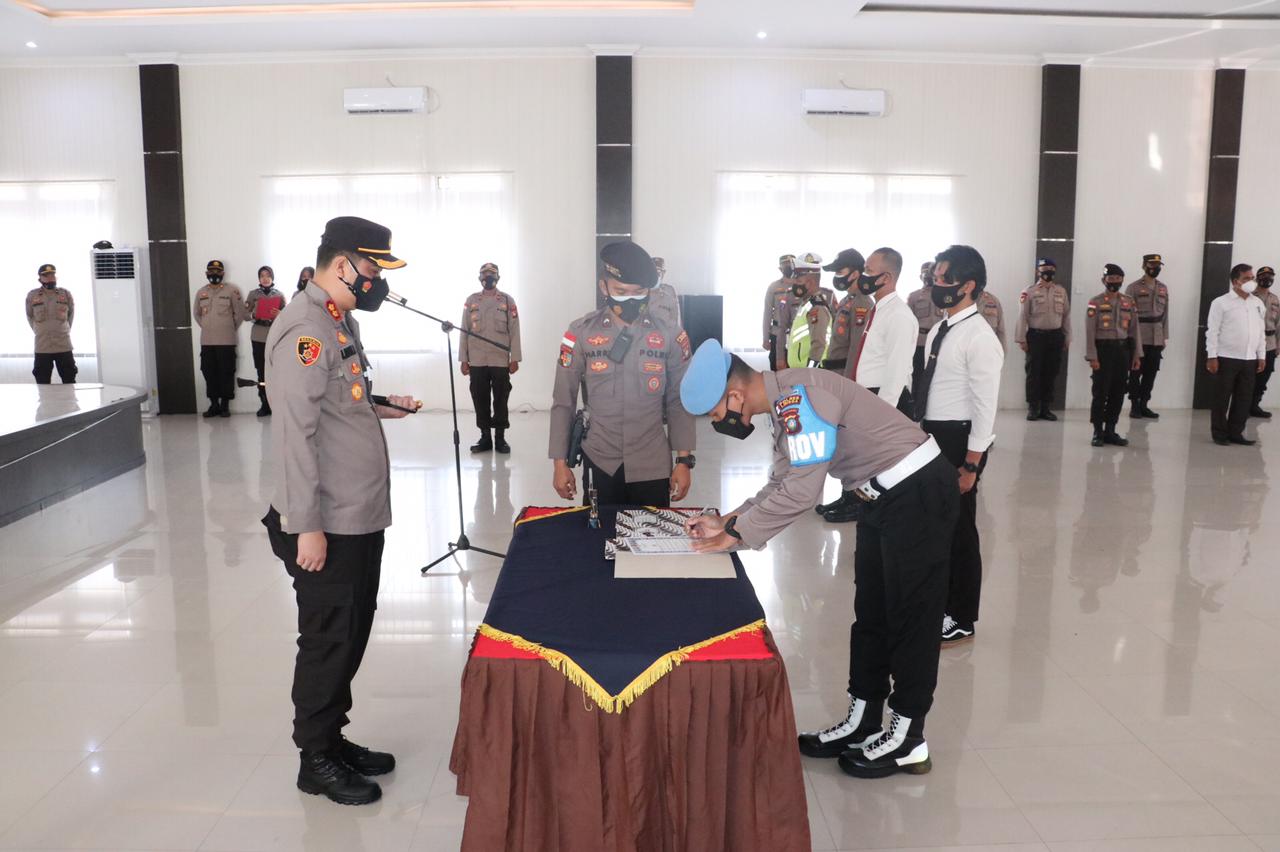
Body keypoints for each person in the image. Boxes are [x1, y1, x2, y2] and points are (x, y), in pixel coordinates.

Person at [679, 339, 959, 778]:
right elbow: (782, 481)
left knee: (911, 618)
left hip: (917, 492)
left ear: (734, 396)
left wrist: (737, 536)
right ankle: (863, 720)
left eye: (716, 415)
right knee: (871, 616)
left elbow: (802, 493)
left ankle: (908, 738)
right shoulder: (783, 405)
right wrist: (727, 521)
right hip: (879, 497)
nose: (720, 423)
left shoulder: (801, 399)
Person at [262, 215, 417, 806]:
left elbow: (336, 400)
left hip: (357, 513)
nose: (377, 280)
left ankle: (332, 736)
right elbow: (294, 434)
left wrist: (378, 406)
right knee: (328, 638)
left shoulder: (337, 319)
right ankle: (315, 758)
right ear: (344, 264)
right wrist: (306, 527)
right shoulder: (304, 329)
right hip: (325, 521)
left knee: (351, 631)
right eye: (373, 269)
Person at [549, 240, 695, 507]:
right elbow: (563, 401)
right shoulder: (580, 333)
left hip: (651, 461)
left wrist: (684, 460)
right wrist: (560, 463)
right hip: (601, 460)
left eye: (639, 292)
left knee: (651, 531)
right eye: (621, 291)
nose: (630, 299)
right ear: (604, 287)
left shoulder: (670, 335)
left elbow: (679, 400)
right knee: (600, 530)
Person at [915, 246, 1003, 646]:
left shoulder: (980, 337)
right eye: (935, 277)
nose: (936, 284)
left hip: (960, 440)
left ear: (968, 285)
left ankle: (963, 616)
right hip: (934, 434)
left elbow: (985, 406)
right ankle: (942, 603)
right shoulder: (941, 328)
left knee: (960, 529)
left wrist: (971, 464)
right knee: (936, 526)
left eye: (944, 279)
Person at [815, 247, 871, 524]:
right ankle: (846, 494)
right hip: (834, 374)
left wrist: (848, 386)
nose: (836, 276)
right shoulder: (848, 300)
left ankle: (855, 501)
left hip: (845, 378)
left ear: (856, 273)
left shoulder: (862, 304)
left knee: (851, 443)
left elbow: (855, 350)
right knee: (841, 442)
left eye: (841, 271)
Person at [460, 262, 521, 454]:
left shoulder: (507, 300)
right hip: (477, 359)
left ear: (498, 277)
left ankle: (500, 438)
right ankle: (485, 437)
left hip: (500, 360)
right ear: (479, 278)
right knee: (480, 398)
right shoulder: (471, 301)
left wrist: (515, 358)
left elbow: (515, 330)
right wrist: (464, 359)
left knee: (501, 399)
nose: (488, 278)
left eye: (492, 274)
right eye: (485, 275)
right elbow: (464, 330)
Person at [1206, 263, 1267, 446]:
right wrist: (1212, 356)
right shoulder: (1221, 303)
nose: (1251, 281)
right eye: (1246, 278)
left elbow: (1261, 331)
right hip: (1226, 357)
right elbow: (1212, 331)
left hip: (1249, 359)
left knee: (1244, 398)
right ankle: (1219, 434)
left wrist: (1261, 355)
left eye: (1252, 278)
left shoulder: (1257, 303)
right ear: (1235, 281)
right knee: (1221, 398)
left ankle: (1236, 433)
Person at [851, 247, 916, 414]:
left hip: (885, 401)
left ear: (886, 278)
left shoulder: (898, 315)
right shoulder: (880, 310)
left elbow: (897, 371)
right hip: (869, 395)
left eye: (868, 271)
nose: (863, 276)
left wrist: (882, 414)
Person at [1084, 264, 1143, 448]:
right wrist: (1092, 357)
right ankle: (1097, 431)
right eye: (1111, 278)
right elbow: (1089, 331)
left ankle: (1110, 430)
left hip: (1122, 351)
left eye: (1118, 279)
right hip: (1103, 351)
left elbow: (1134, 330)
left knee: (1118, 392)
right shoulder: (1095, 302)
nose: (1114, 282)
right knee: (1100, 392)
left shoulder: (1128, 302)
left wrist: (1136, 355)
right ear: (1104, 280)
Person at [1016, 257, 1071, 422]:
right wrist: (1021, 338)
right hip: (1036, 336)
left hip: (1056, 336)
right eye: (1044, 269)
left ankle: (1046, 408)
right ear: (1037, 271)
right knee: (1034, 373)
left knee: (1051, 372)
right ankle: (1033, 407)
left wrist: (1067, 336)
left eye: (1051, 269)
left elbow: (1066, 316)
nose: (1048, 272)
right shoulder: (1029, 292)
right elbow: (1022, 315)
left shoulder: (1061, 291)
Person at [193, 260, 248, 418]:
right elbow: (197, 314)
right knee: (208, 372)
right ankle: (214, 405)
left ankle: (224, 405)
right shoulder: (201, 292)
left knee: (226, 372)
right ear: (206, 273)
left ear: (223, 273)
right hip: (207, 341)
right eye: (211, 271)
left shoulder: (232, 291)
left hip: (226, 340)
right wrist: (207, 326)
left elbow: (240, 313)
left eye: (217, 271)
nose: (214, 274)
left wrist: (228, 327)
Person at [1126, 253, 1169, 419]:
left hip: (1156, 337)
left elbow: (1165, 314)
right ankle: (1134, 405)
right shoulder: (1133, 288)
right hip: (1139, 335)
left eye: (1158, 266)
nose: (1155, 268)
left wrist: (1164, 336)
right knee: (1135, 372)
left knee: (1151, 373)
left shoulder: (1163, 288)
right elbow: (1127, 315)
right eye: (1152, 265)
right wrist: (1129, 338)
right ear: (1144, 266)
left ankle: (1144, 404)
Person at [245, 265, 287, 417]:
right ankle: (264, 404)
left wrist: (280, 313)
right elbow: (244, 315)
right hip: (258, 335)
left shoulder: (280, 295)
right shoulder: (253, 294)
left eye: (268, 275)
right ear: (259, 278)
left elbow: (287, 316)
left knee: (276, 370)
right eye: (262, 275)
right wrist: (254, 315)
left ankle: (277, 404)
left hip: (275, 336)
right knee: (261, 371)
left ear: (272, 277)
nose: (265, 278)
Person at [25, 263, 77, 385]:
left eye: (52, 275)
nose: (50, 278)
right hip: (42, 346)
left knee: (69, 380)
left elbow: (70, 316)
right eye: (46, 276)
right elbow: (30, 316)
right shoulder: (32, 296)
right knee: (42, 382)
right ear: (40, 278)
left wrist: (62, 330)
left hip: (63, 345)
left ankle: (69, 400)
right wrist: (40, 330)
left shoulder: (65, 294)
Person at [785, 253, 835, 368]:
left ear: (810, 283)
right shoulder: (807, 304)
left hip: (809, 372)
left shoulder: (817, 308)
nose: (794, 284)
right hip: (801, 371)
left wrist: (811, 371)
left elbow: (819, 345)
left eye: (798, 281)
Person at [907, 261, 943, 391]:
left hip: (938, 343)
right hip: (920, 343)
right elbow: (908, 323)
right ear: (920, 276)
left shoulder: (944, 296)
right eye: (925, 273)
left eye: (930, 273)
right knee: (917, 377)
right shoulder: (914, 297)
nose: (928, 276)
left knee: (936, 378)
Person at [1251, 265, 1278, 418]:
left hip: (1270, 343)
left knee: (1264, 377)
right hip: (1253, 343)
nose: (1267, 279)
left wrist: (1278, 345)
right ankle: (1243, 407)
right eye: (1264, 276)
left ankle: (1254, 406)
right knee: (1249, 377)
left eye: (1270, 276)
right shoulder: (1250, 296)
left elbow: (1278, 323)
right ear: (1257, 278)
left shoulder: (1275, 299)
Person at [764, 254, 797, 370]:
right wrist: (765, 338)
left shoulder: (801, 286)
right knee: (776, 369)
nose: (788, 267)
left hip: (796, 334)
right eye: (785, 265)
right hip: (777, 333)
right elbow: (767, 313)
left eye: (790, 264)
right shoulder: (773, 287)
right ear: (780, 268)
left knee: (795, 370)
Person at [649, 256, 683, 330]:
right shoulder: (640, 292)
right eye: (652, 272)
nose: (655, 276)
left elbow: (676, 321)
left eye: (658, 272)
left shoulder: (669, 290)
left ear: (663, 273)